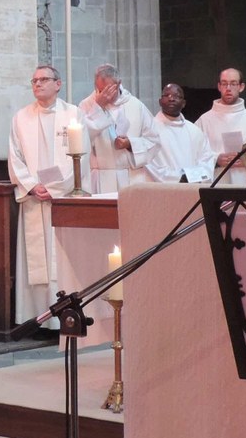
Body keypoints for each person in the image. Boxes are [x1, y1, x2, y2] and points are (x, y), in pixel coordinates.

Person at [8, 65, 79, 322]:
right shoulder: (21, 117)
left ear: (58, 84)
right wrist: (31, 185)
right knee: (36, 263)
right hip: (34, 199)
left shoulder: (73, 114)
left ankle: (63, 320)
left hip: (62, 200)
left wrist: (56, 188)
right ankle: (37, 319)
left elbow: (79, 158)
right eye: (34, 81)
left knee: (62, 260)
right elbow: (14, 157)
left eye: (44, 79)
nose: (37, 84)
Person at [77, 63, 160, 193]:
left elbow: (154, 141)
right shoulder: (86, 105)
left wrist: (130, 144)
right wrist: (98, 107)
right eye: (100, 90)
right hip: (99, 178)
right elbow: (80, 139)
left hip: (131, 177)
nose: (105, 95)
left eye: (109, 90)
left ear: (118, 83)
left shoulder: (136, 106)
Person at [193, 68, 246, 186]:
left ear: (241, 87)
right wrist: (216, 159)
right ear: (219, 86)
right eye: (224, 83)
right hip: (216, 183)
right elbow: (193, 152)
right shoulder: (204, 120)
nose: (228, 88)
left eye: (233, 83)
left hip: (245, 183)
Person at [144, 83, 216, 183]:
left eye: (176, 96)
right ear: (160, 101)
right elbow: (149, 164)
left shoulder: (194, 131)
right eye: (167, 95)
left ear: (183, 103)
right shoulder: (149, 130)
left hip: (192, 188)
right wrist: (178, 178)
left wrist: (191, 177)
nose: (171, 99)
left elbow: (206, 160)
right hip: (162, 189)